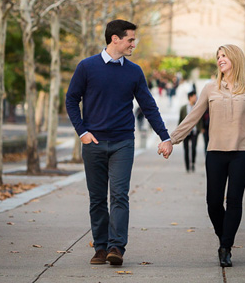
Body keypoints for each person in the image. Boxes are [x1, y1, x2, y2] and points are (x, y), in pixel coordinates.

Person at [65, 19, 172, 267]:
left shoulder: (134, 71)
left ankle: (116, 247)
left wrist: (164, 136)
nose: (134, 44)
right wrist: (82, 132)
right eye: (130, 39)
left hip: (123, 142)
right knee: (97, 198)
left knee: (120, 196)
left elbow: (148, 106)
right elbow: (71, 100)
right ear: (115, 39)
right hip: (93, 143)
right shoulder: (87, 67)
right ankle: (100, 248)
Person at [166, 44, 245, 268]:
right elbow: (193, 117)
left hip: (242, 152)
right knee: (213, 202)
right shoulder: (210, 89)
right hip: (215, 152)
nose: (220, 59)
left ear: (235, 59)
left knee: (234, 201)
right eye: (218, 56)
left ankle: (225, 248)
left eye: (224, 56)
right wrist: (172, 139)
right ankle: (224, 238)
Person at [179, 90, 200, 172]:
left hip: (194, 131)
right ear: (190, 97)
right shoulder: (183, 108)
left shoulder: (197, 107)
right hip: (185, 132)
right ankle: (187, 166)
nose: (196, 98)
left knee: (194, 148)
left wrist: (199, 129)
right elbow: (180, 120)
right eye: (194, 96)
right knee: (186, 149)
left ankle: (193, 163)